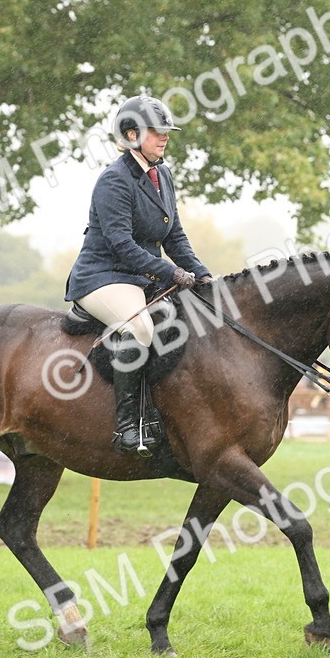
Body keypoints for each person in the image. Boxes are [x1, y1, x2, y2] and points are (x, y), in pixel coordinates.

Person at [64, 95, 213, 454]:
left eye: (166, 132)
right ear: (131, 136)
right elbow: (121, 245)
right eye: (156, 132)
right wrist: (173, 272)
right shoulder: (113, 181)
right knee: (140, 327)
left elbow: (174, 235)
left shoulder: (163, 174)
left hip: (142, 276)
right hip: (104, 277)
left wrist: (202, 274)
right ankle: (127, 425)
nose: (164, 138)